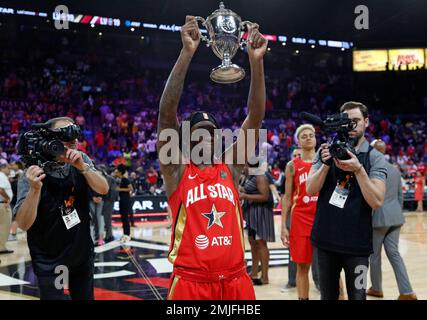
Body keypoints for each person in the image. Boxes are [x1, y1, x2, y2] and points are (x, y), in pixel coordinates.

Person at [157, 16, 267, 300]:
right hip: (191, 283)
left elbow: (254, 118)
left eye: (210, 133)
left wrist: (256, 62)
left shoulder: (230, 166)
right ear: (184, 141)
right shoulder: (176, 170)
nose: (204, 137)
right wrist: (186, 53)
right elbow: (166, 115)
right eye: (197, 134)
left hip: (235, 280)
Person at [13, 117, 109, 300]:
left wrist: (83, 168)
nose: (73, 146)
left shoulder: (82, 160)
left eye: (75, 141)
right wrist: (34, 190)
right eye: (67, 141)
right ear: (51, 142)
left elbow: (103, 189)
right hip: (49, 257)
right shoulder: (32, 172)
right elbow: (24, 223)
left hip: (80, 252)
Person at [306, 102, 387, 300]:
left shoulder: (375, 157)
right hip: (325, 242)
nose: (350, 127)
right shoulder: (324, 151)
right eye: (346, 122)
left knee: (358, 296)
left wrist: (358, 169)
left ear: (366, 122)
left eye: (356, 121)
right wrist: (326, 165)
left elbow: (377, 201)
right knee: (328, 297)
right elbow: (310, 189)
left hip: (357, 247)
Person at [367, 140, 417, 300]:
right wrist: (397, 213)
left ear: (373, 151)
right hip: (396, 217)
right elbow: (400, 196)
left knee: (374, 257)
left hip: (379, 218)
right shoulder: (395, 169)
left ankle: (376, 288)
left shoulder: (372, 168)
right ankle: (407, 292)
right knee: (395, 255)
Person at [281, 124, 319, 299]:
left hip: (323, 219)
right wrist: (283, 226)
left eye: (311, 135)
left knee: (332, 265)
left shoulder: (325, 161)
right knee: (302, 266)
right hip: (301, 220)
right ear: (298, 141)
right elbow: (287, 198)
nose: (308, 137)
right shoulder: (292, 165)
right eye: (304, 136)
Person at [241, 161, 275, 285]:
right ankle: (254, 272)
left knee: (261, 244)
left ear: (250, 166)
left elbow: (264, 196)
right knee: (253, 243)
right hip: (251, 213)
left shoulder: (260, 176)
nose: (243, 167)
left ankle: (265, 277)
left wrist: (244, 196)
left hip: (261, 213)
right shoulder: (249, 176)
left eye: (245, 165)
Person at [116, 164, 133, 242]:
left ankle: (127, 234)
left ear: (120, 172)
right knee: (123, 218)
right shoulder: (120, 179)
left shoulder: (125, 179)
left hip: (125, 200)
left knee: (125, 218)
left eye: (117, 170)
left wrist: (120, 189)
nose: (116, 171)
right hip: (122, 200)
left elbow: (130, 188)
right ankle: (125, 234)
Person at [0, 163, 14, 255]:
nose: (9, 170)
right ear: (3, 168)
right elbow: (0, 189)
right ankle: (1, 247)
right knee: (4, 226)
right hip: (3, 205)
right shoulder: (1, 175)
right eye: (8, 168)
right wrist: (7, 198)